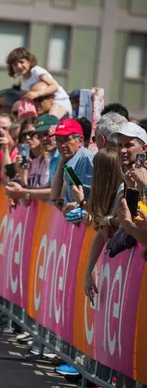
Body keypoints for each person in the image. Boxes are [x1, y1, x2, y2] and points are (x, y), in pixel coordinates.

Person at [83, 150, 125, 301]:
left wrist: (106, 221)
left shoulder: (122, 189)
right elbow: (102, 233)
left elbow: (104, 231)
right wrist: (88, 272)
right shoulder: (107, 195)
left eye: (95, 168)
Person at [6, 47, 72, 119]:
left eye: (22, 62)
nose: (19, 66)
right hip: (42, 106)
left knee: (51, 122)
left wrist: (37, 93)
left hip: (59, 101)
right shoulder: (23, 81)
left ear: (29, 61)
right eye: (15, 64)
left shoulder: (36, 71)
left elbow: (54, 87)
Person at [50, 119, 94, 214]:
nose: (62, 145)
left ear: (80, 141)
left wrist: (78, 204)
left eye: (66, 139)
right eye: (58, 140)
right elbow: (53, 195)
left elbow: (98, 196)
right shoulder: (70, 161)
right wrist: (65, 202)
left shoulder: (86, 159)